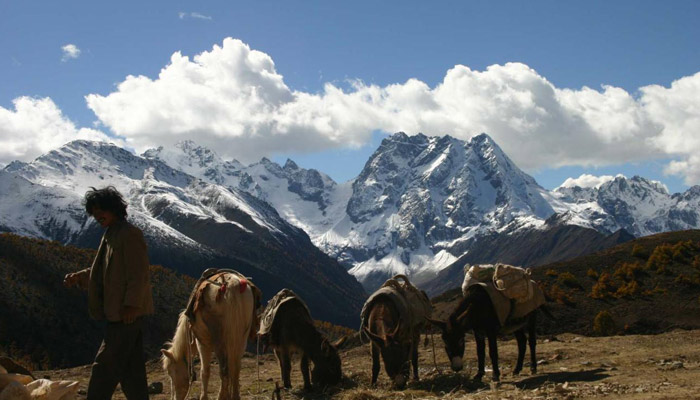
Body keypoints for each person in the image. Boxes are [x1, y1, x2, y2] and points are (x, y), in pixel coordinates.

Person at [64, 186, 154, 400]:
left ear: (113, 209)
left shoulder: (129, 234)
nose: (97, 216)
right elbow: (105, 271)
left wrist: (131, 305)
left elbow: (138, 273)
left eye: (100, 210)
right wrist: (80, 277)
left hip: (126, 315)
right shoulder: (111, 234)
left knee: (104, 368)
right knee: (132, 374)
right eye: (94, 212)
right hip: (119, 313)